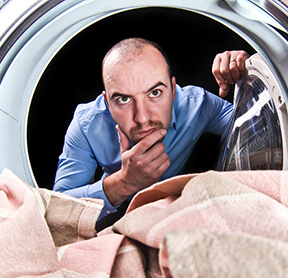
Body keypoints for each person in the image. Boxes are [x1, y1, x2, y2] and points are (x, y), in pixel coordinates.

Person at [53, 38, 249, 228]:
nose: (143, 118)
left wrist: (247, 72)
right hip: (115, 217)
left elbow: (260, 126)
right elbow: (57, 211)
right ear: (106, 102)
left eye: (154, 93)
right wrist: (123, 183)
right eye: (123, 99)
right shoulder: (86, 123)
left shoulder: (198, 104)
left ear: (173, 90)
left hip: (183, 213)